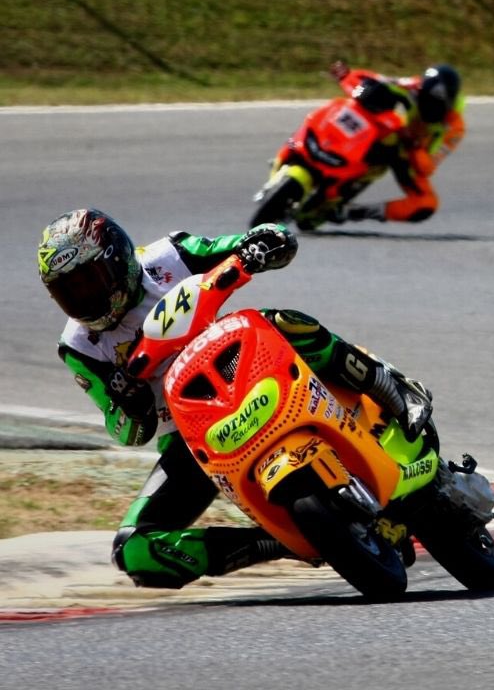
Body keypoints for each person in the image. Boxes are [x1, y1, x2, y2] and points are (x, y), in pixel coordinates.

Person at [38, 209, 433, 589]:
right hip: (191, 436)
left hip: (244, 359)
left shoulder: (169, 254)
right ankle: (278, 542)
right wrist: (130, 401)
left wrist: (261, 245)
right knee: (135, 549)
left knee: (281, 321)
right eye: (67, 292)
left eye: (89, 281)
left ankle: (391, 390)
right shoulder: (78, 347)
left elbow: (243, 244)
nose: (83, 299)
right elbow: (122, 430)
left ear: (117, 259)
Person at [327, 60, 465, 224]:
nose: (428, 108)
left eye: (435, 105)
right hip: (390, 132)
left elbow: (427, 168)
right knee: (366, 101)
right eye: (425, 100)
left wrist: (413, 145)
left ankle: (355, 212)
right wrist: (347, 75)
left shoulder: (454, 128)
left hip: (410, 156)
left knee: (426, 204)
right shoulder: (415, 85)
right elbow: (377, 80)